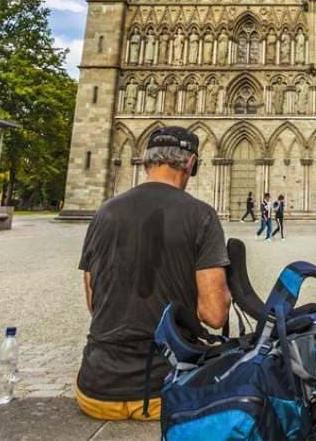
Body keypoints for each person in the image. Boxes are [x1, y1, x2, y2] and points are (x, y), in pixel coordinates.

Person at [76, 127, 230, 421]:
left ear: (146, 161)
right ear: (190, 163)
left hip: (95, 392)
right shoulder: (201, 216)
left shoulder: (103, 213)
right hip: (164, 393)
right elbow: (214, 316)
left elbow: (94, 302)